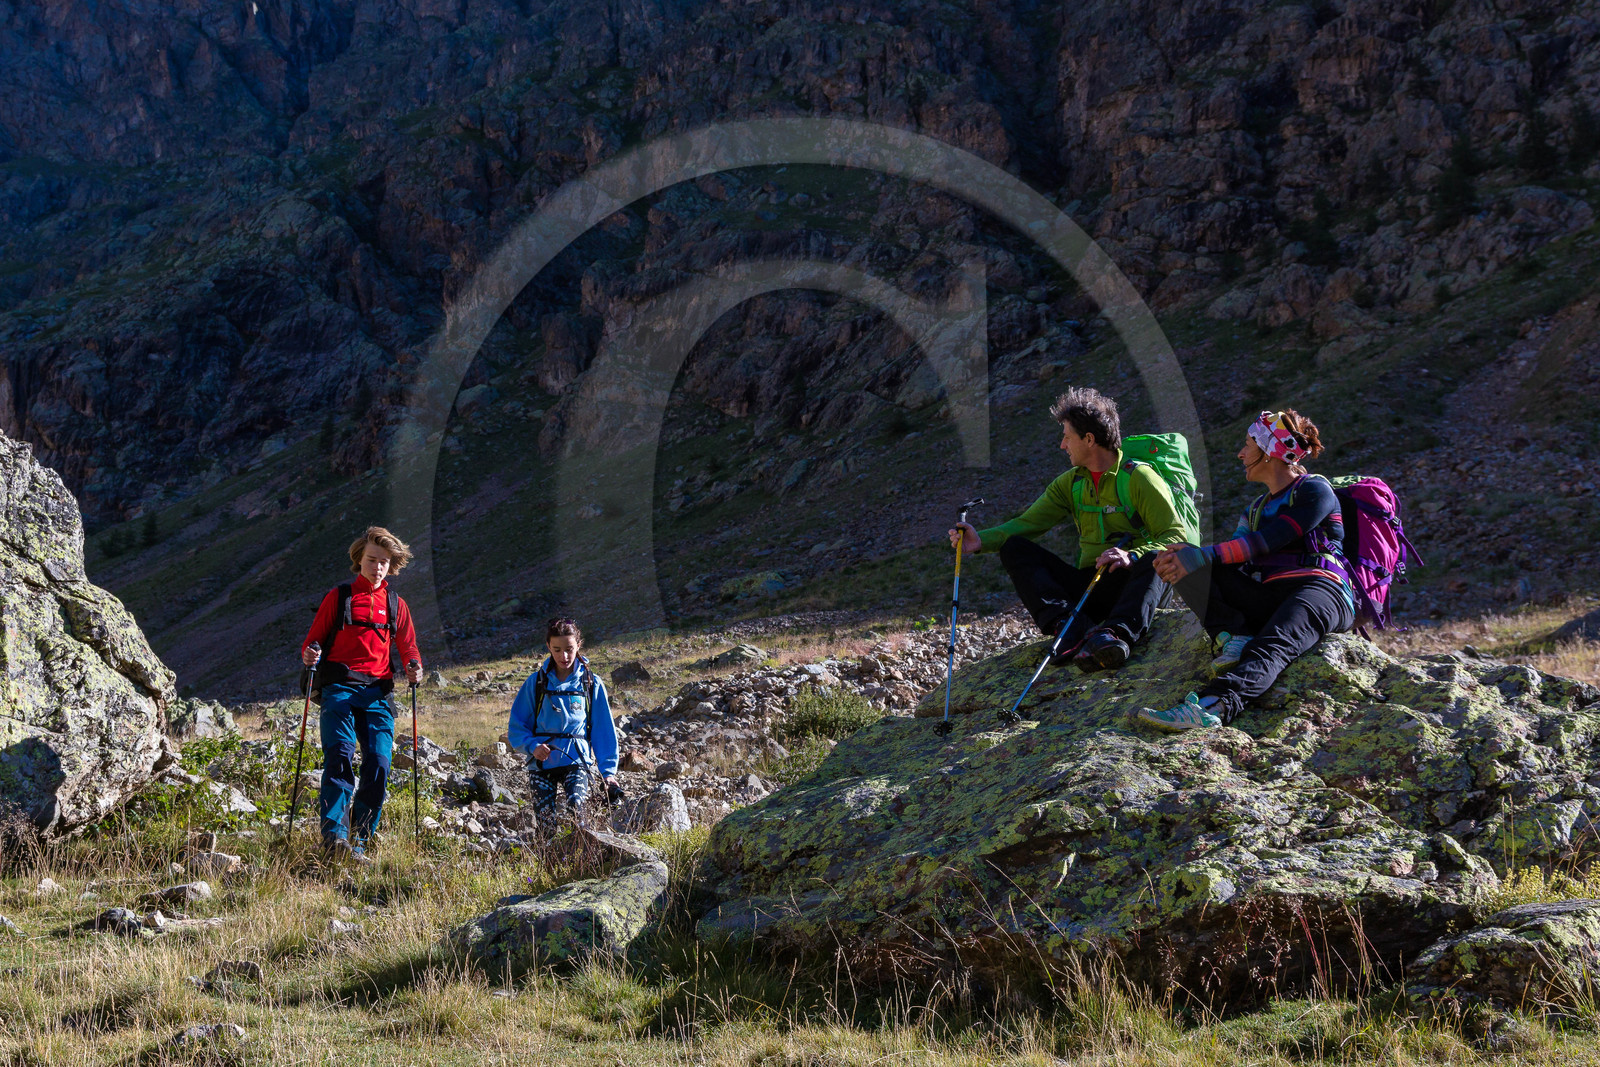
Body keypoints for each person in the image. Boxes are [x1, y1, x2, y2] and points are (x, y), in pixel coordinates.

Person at [949, 386, 1196, 671]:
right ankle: (1069, 626)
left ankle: (1116, 635)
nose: (1062, 445)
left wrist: (1132, 555)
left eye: (1067, 437)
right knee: (1014, 548)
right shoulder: (1070, 483)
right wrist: (980, 541)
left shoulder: (1139, 477)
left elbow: (1176, 536)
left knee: (1154, 559)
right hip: (1092, 585)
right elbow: (1028, 524)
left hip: (1137, 586)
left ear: (1089, 439)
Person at [1141, 409, 1356, 731]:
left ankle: (1213, 706)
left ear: (1269, 451)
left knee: (1271, 646)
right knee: (1184, 562)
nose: (1240, 454)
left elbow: (1268, 541)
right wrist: (1182, 556)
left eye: (1247, 445)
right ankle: (1233, 634)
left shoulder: (1315, 490)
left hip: (1321, 590)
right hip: (1273, 594)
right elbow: (1231, 557)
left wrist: (1201, 555)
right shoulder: (1255, 509)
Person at [300, 526, 424, 860]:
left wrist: (414, 666)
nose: (377, 567)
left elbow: (408, 647)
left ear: (391, 565)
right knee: (340, 756)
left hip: (377, 693)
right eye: (372, 559)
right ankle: (335, 840)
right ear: (359, 559)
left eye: (384, 561)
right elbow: (313, 640)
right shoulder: (339, 597)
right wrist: (310, 654)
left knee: (380, 763)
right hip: (339, 688)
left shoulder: (396, 604)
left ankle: (359, 841)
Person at [507, 617, 621, 835]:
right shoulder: (535, 683)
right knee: (545, 828)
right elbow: (517, 727)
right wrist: (533, 746)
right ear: (548, 646)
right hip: (541, 765)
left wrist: (608, 773)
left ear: (579, 644)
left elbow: (603, 730)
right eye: (557, 650)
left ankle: (582, 856)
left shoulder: (591, 683)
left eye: (569, 649)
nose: (564, 656)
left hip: (577, 761)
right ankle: (549, 856)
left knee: (579, 817)